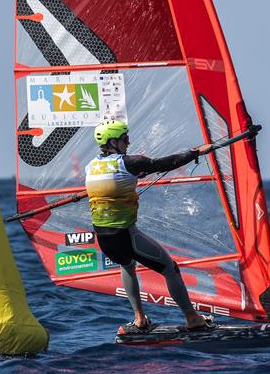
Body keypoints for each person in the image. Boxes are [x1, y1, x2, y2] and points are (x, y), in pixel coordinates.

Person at [85, 120, 214, 332]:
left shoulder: (91, 166)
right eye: (125, 138)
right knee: (170, 269)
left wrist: (138, 171)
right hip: (125, 234)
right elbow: (164, 163)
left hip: (104, 238)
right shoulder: (131, 162)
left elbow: (114, 179)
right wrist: (194, 153)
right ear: (113, 141)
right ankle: (192, 318)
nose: (129, 141)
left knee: (126, 265)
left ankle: (139, 318)